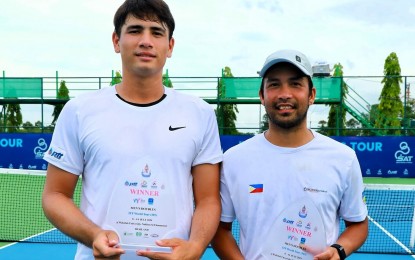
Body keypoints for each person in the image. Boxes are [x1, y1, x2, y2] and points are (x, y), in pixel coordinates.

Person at [42, 1, 223, 259]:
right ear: (116, 41)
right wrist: (94, 234)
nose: (146, 41)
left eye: (156, 32)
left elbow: (208, 200)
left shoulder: (200, 113)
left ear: (170, 46)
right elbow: (55, 195)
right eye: (135, 30)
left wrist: (195, 246)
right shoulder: (79, 110)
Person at [211, 49, 368, 260]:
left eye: (295, 84)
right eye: (274, 84)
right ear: (262, 95)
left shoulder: (344, 158)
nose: (285, 93)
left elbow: (358, 223)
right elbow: (220, 229)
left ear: (311, 95)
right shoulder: (233, 159)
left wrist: (339, 250)